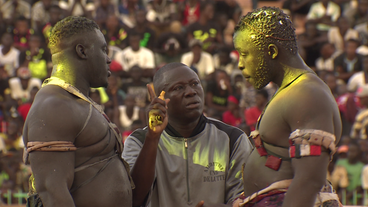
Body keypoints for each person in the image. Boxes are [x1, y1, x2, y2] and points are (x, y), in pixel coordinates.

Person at [233, 7, 342, 207]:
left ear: (272, 51)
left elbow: (309, 181)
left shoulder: (307, 94)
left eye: (245, 54)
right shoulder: (289, 90)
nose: (240, 64)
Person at [22, 16, 133, 207]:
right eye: (103, 50)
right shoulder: (54, 106)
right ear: (82, 51)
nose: (109, 59)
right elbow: (53, 194)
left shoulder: (75, 101)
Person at [122, 62, 253, 207]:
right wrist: (152, 138)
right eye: (179, 88)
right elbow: (133, 199)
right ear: (161, 99)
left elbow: (243, 199)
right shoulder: (139, 141)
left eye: (195, 84)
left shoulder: (233, 139)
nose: (191, 91)